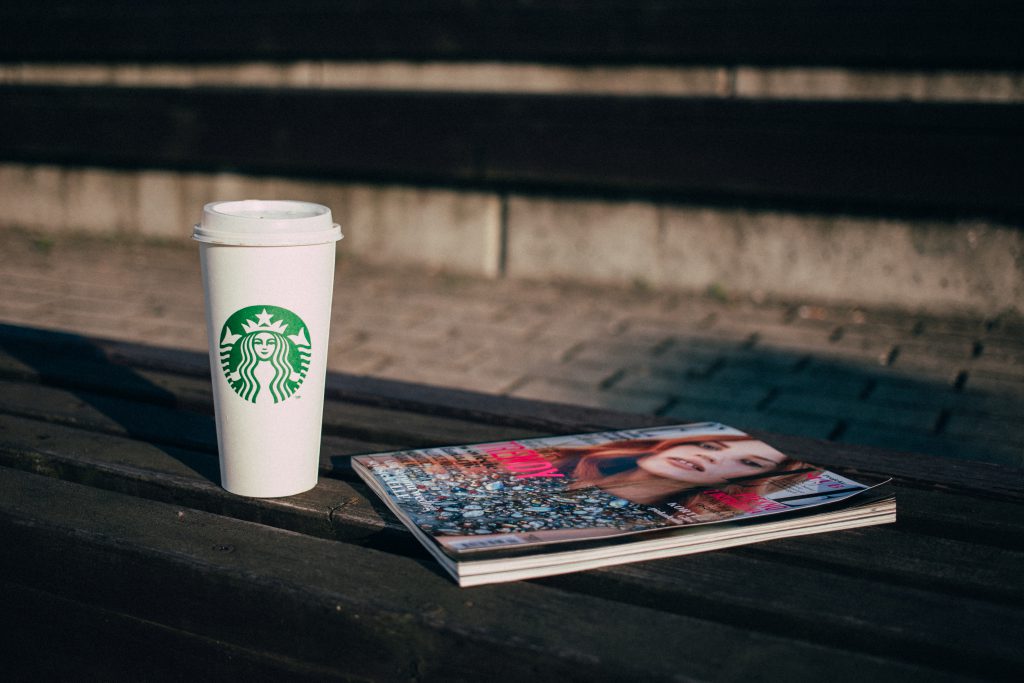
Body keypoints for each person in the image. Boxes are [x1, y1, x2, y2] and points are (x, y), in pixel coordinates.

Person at [542, 433, 809, 511]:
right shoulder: (562, 460)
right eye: (707, 445)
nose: (706, 455)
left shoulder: (670, 522)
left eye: (750, 463)